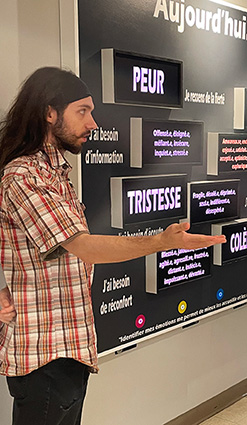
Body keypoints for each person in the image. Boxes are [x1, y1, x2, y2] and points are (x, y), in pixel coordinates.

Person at [0, 66, 226, 425]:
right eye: (82, 111)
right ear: (49, 113)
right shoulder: (24, 176)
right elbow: (83, 247)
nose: (92, 123)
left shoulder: (54, 174)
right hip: (45, 356)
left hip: (66, 350)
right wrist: (161, 242)